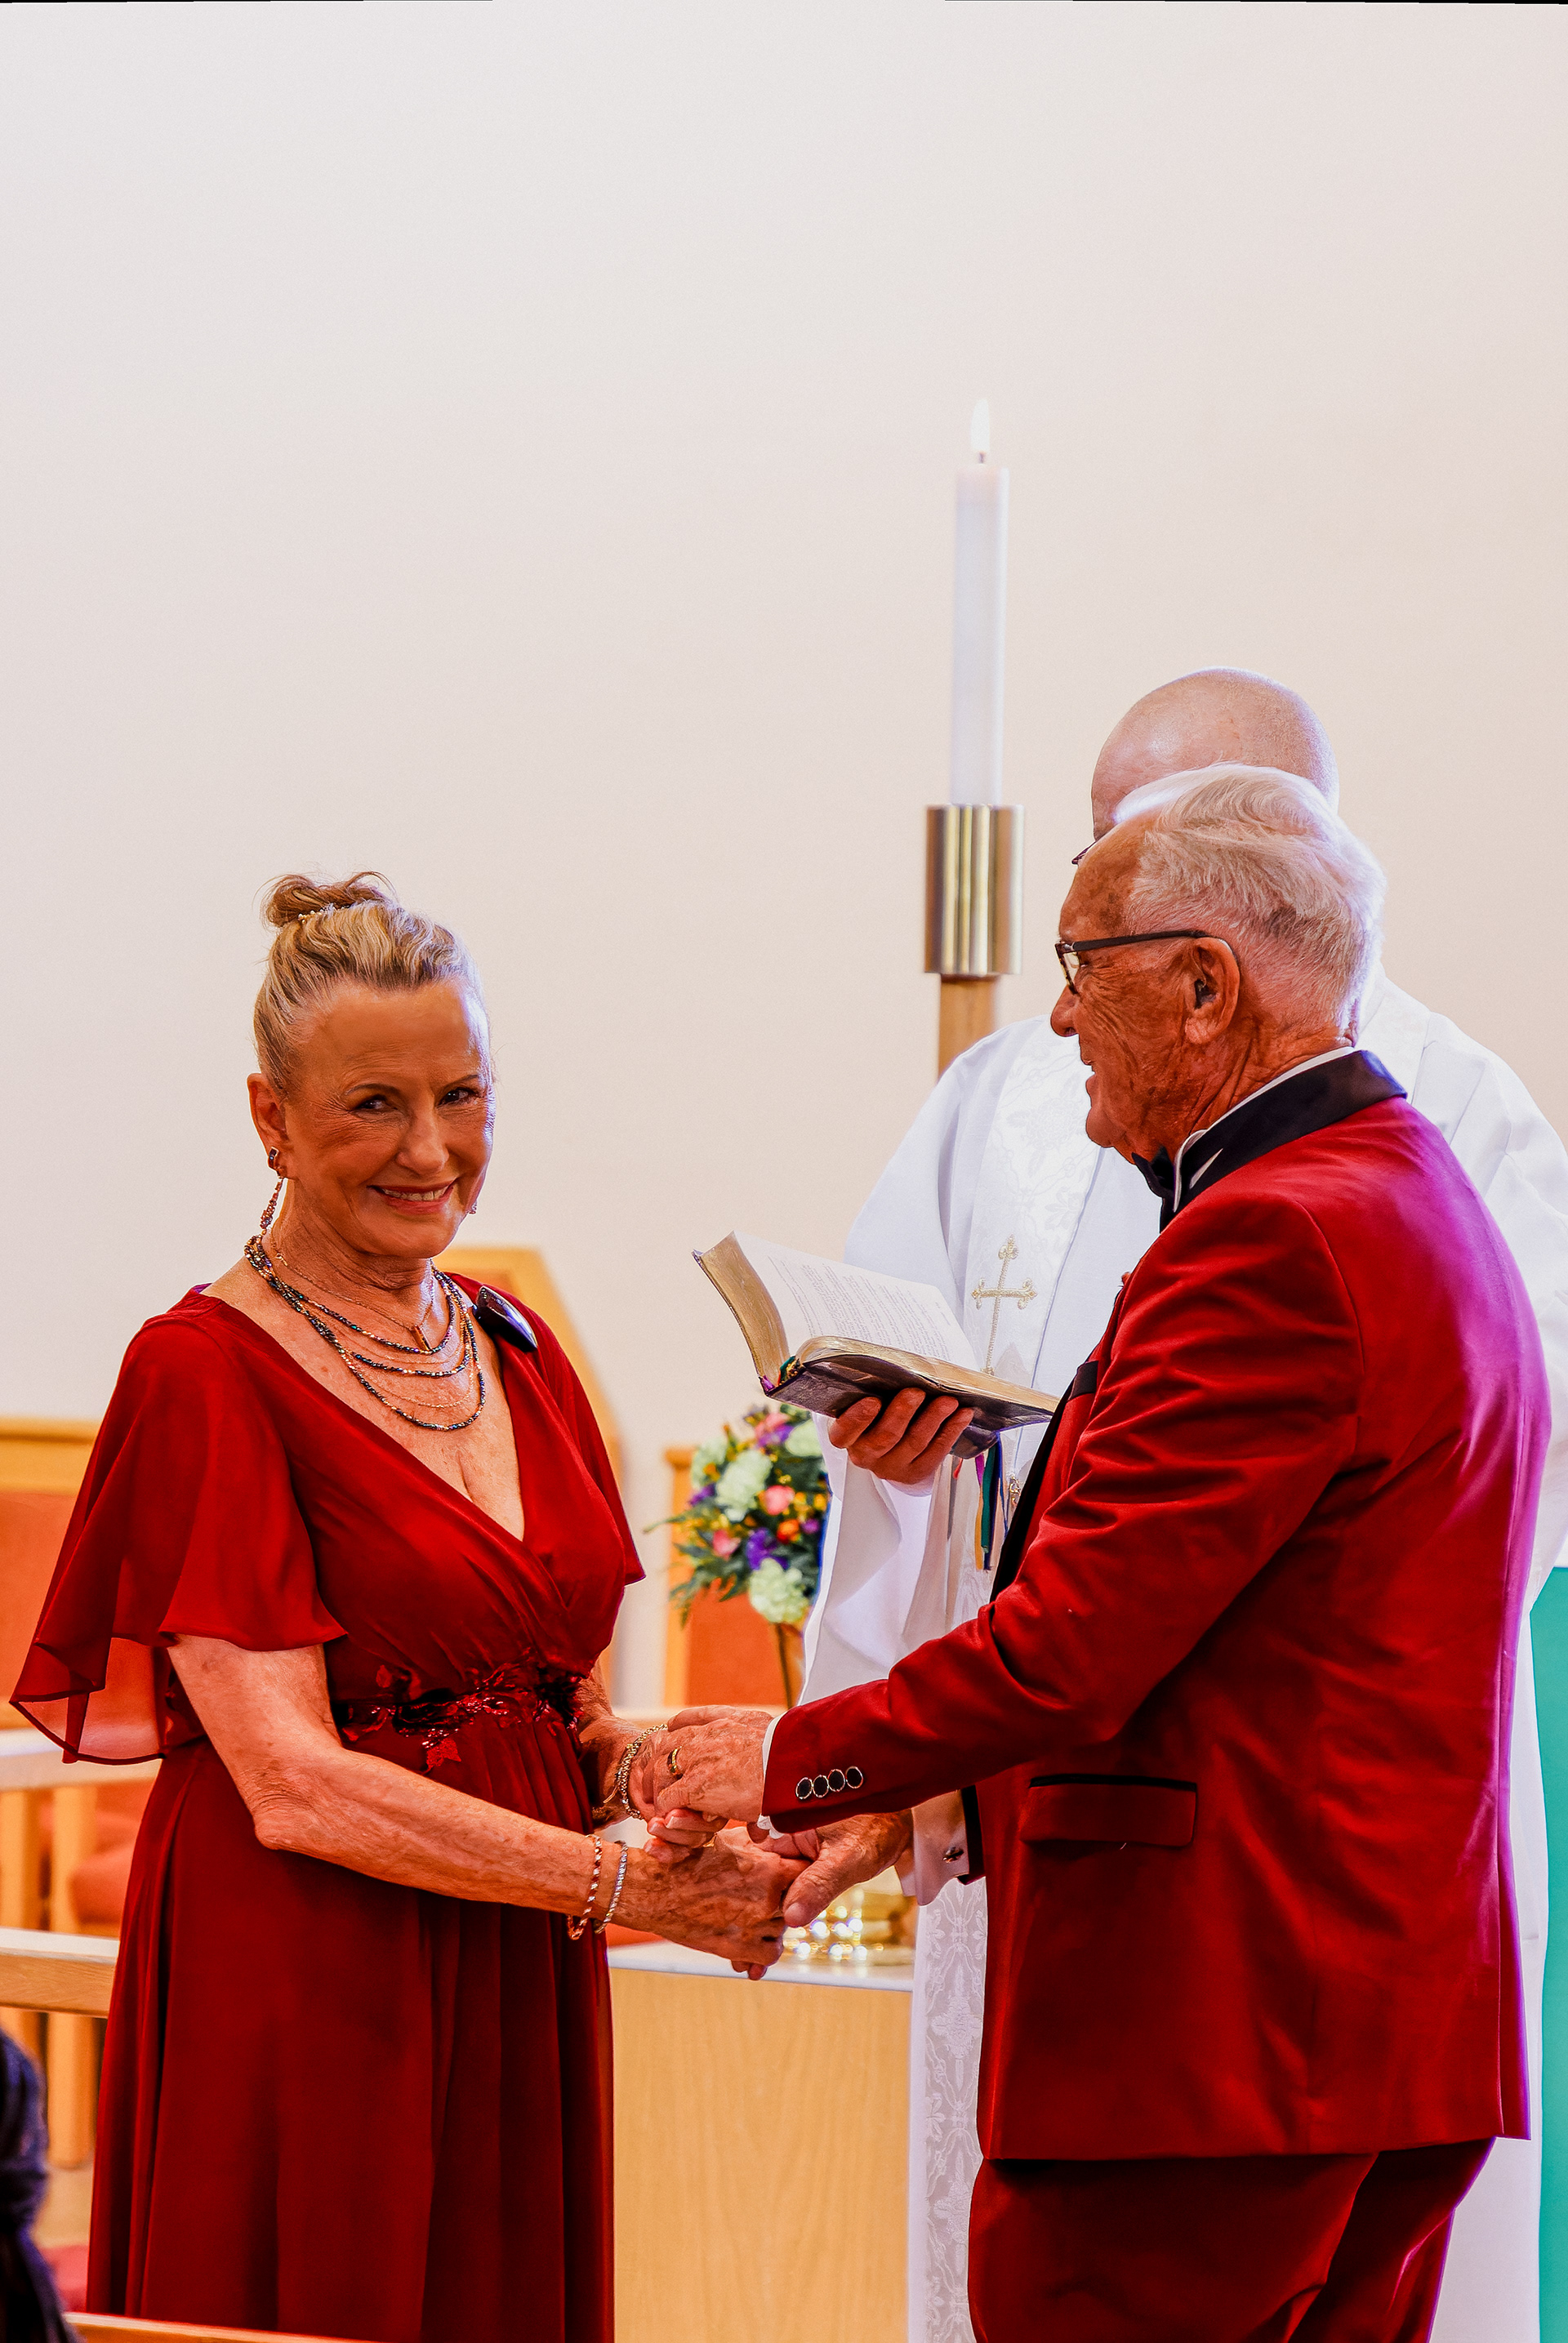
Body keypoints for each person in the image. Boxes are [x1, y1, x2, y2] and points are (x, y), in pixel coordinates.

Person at [653, 769, 1549, 2343]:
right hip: (1365, 2031)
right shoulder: (1412, 1190)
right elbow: (1257, 1640)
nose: (1061, 1016)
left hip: (1210, 2050)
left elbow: (1077, 1644)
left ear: (1205, 985)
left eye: (1083, 964)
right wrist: (917, 1804)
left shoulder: (1273, 1237)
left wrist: (790, 1757)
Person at [14, 872, 800, 2343]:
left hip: (517, 1957)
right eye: (374, 1103)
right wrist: (635, 1891)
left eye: (462, 1094)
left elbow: (556, 1715)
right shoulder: (201, 1371)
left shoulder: (516, 1343)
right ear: (270, 1117)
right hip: (316, 1967)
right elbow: (295, 1782)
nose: (430, 1148)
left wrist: (696, 1771)